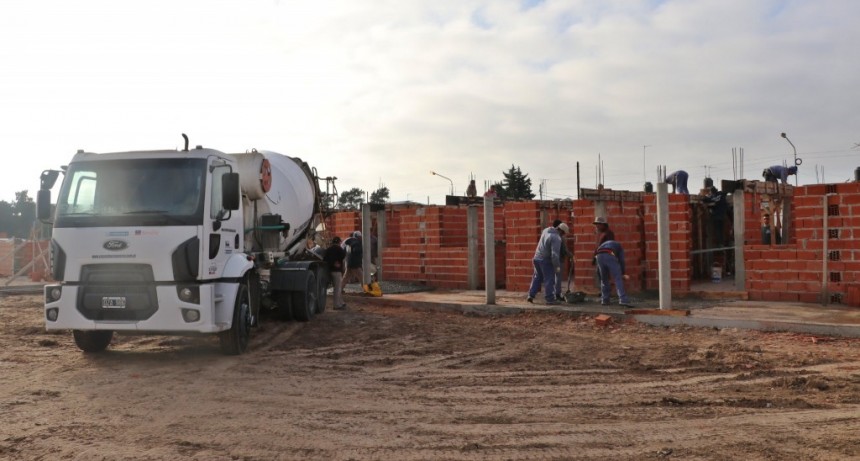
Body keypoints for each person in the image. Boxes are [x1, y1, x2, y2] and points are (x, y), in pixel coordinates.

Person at [527, 222, 569, 305]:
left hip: (536, 258)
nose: (563, 235)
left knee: (537, 277)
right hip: (545, 260)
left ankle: (530, 295)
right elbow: (554, 255)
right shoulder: (556, 238)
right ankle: (550, 299)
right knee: (549, 279)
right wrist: (557, 267)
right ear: (561, 231)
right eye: (563, 234)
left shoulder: (546, 230)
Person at [594, 240, 633, 307]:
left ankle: (605, 299)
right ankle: (623, 299)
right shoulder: (619, 247)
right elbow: (621, 260)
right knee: (618, 278)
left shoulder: (604, 244)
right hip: (609, 253)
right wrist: (622, 273)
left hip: (599, 256)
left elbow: (596, 254)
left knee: (604, 279)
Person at [550, 219, 572, 300]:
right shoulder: (560, 238)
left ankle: (552, 294)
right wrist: (571, 256)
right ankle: (557, 294)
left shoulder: (550, 235)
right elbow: (564, 250)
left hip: (551, 260)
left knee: (552, 277)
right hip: (558, 261)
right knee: (558, 278)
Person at [323, 236, 347, 310]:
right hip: (337, 271)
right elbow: (343, 256)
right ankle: (336, 305)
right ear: (339, 242)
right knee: (337, 288)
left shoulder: (328, 249)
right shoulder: (339, 249)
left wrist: (332, 263)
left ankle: (340, 302)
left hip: (329, 271)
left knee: (337, 288)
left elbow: (324, 259)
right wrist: (337, 264)